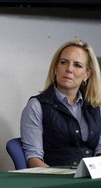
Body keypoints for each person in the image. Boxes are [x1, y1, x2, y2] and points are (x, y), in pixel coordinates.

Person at [20, 39, 101, 168]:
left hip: (91, 180)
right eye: (64, 62)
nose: (69, 69)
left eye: (77, 65)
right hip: (55, 179)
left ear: (87, 74)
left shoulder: (96, 107)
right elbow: (33, 159)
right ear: (56, 68)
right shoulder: (37, 106)